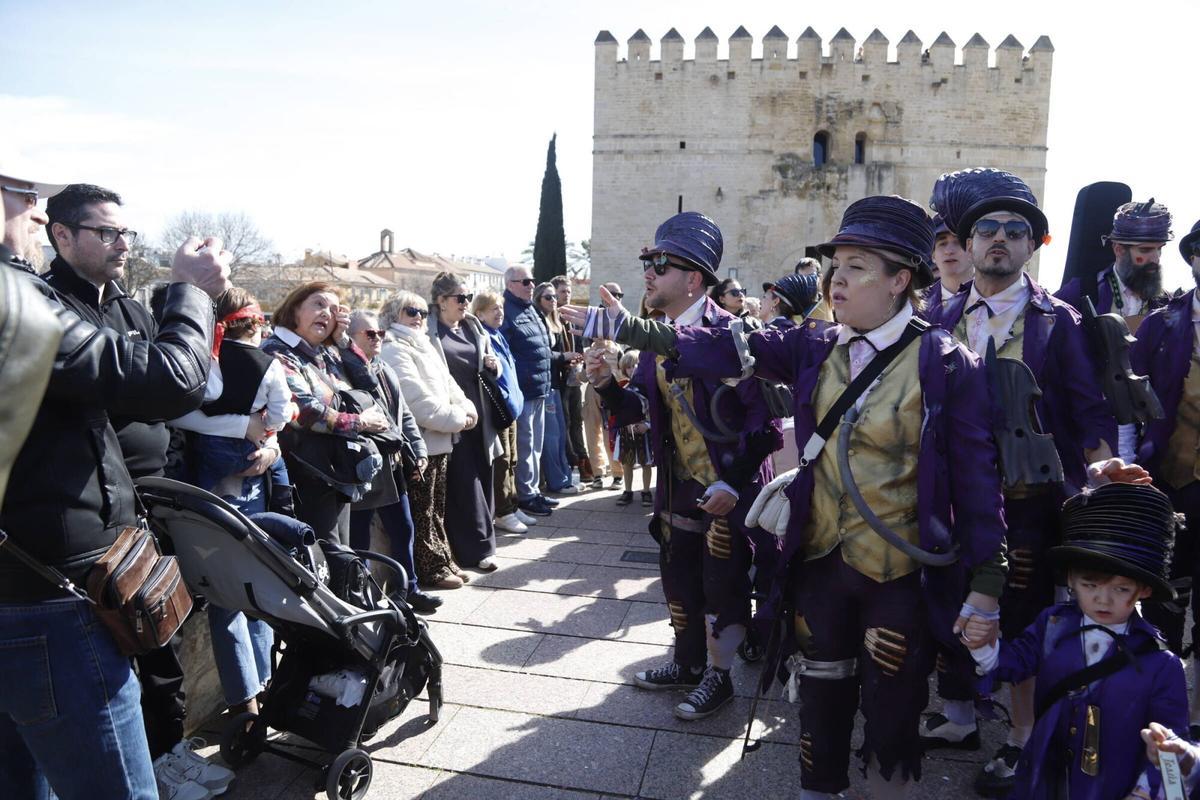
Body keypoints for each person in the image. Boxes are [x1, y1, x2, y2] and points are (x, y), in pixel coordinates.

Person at [567, 198, 1007, 798]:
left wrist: (987, 586)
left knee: (893, 712)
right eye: (835, 266)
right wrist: (629, 328)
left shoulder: (949, 364)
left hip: (900, 574)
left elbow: (979, 484)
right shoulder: (813, 343)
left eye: (856, 266)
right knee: (819, 702)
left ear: (901, 280)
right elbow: (724, 346)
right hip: (820, 563)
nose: (837, 280)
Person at [0, 159, 230, 800]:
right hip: (50, 596)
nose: (36, 210)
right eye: (22, 195)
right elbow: (171, 379)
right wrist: (191, 291)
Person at [924, 168, 1124, 796]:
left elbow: (1088, 409)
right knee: (948, 600)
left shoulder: (1057, 320)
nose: (999, 239)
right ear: (969, 242)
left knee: (1021, 617)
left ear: (1033, 244)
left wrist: (1101, 471)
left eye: (1015, 231)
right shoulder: (939, 314)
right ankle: (958, 717)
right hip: (950, 496)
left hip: (1027, 500)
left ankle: (1022, 736)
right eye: (987, 229)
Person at [564, 211, 782, 725]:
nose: (649, 272)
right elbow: (641, 409)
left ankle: (719, 677)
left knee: (724, 585)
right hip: (677, 488)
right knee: (679, 579)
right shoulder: (657, 335)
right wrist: (606, 386)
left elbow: (766, 425)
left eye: (661, 264)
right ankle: (687, 664)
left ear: (693, 279)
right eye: (648, 262)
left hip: (729, 488)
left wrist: (734, 483)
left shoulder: (734, 333)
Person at [962, 483, 1187, 800]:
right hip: (1045, 775)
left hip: (1112, 786)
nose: (1103, 599)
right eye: (1089, 584)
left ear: (1144, 590)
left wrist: (1146, 790)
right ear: (1070, 579)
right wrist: (983, 645)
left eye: (1121, 589)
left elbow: (1171, 744)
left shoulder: (1160, 664)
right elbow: (1014, 664)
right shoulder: (1052, 625)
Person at [1127, 218, 1200, 732]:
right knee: (1164, 600)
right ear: (1193, 257)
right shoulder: (1161, 324)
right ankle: (1161, 710)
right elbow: (1128, 405)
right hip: (1170, 485)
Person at [262, 282, 391, 545]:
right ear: (294, 309)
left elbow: (367, 381)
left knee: (341, 549)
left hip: (333, 470)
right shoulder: (277, 351)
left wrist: (343, 340)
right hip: (302, 473)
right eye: (318, 304)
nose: (326, 313)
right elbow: (305, 411)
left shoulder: (325, 352)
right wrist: (360, 422)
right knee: (323, 552)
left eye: (333, 310)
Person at [341, 310, 441, 613]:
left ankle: (408, 590)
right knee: (359, 537)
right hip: (365, 466)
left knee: (403, 528)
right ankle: (361, 600)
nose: (377, 339)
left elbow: (404, 414)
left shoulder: (384, 367)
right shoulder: (345, 369)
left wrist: (419, 450)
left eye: (380, 333)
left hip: (394, 465)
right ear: (351, 338)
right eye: (369, 334)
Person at [379, 290, 472, 589]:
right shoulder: (393, 348)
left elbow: (450, 385)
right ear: (394, 315)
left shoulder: (423, 344)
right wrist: (458, 419)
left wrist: (466, 409)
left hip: (440, 440)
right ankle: (430, 568)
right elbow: (416, 401)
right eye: (411, 311)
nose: (418, 317)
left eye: (422, 311)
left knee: (436, 509)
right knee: (422, 511)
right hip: (421, 444)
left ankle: (443, 559)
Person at [427, 272, 502, 572]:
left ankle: (478, 542)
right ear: (441, 300)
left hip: (481, 414)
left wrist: (493, 365)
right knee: (465, 480)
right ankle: (480, 549)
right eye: (460, 297)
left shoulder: (473, 326)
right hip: (451, 417)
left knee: (484, 474)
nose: (466, 302)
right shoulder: (428, 330)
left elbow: (490, 360)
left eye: (468, 297)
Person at [1057, 199, 1173, 330]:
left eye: (1159, 249)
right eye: (1145, 250)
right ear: (1119, 250)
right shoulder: (1081, 291)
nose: (1156, 259)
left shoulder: (1167, 303)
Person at [472, 291, 532, 534]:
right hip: (500, 408)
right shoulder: (483, 337)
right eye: (493, 308)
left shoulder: (498, 334)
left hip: (511, 407)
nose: (500, 312)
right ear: (480, 314)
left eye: (500, 307)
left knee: (512, 459)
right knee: (502, 460)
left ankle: (512, 504)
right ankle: (503, 512)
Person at [501, 265, 558, 516]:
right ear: (510, 284)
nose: (531, 285)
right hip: (524, 390)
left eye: (532, 280)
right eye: (525, 281)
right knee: (525, 445)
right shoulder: (506, 309)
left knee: (535, 444)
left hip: (539, 387)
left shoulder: (529, 308)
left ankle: (533, 491)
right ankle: (526, 495)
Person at [535, 281, 582, 495]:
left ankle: (564, 478)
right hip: (546, 385)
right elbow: (541, 353)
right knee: (553, 437)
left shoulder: (554, 320)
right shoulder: (538, 320)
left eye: (554, 296)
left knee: (561, 433)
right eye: (548, 297)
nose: (553, 300)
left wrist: (567, 360)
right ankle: (558, 482)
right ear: (538, 300)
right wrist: (564, 357)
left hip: (557, 383)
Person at [553, 275, 591, 483]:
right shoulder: (550, 318)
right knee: (565, 421)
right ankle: (573, 462)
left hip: (575, 376)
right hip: (559, 378)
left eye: (568, 291)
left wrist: (581, 361)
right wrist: (564, 359)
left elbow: (582, 343)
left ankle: (583, 460)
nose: (566, 295)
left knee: (577, 420)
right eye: (562, 291)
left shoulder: (573, 316)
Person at [612, 349, 653, 507]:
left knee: (646, 463)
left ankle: (646, 491)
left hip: (643, 430)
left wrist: (647, 425)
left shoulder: (648, 388)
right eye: (628, 367)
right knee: (626, 462)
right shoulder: (623, 387)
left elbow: (653, 411)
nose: (633, 369)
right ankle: (628, 491)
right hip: (625, 430)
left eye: (636, 365)